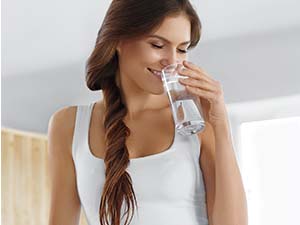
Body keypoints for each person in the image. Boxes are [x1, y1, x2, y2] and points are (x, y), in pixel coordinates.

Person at [47, 0, 248, 225]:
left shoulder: (196, 119)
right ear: (118, 41)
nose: (172, 61)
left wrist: (221, 127)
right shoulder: (69, 125)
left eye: (182, 49)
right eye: (157, 45)